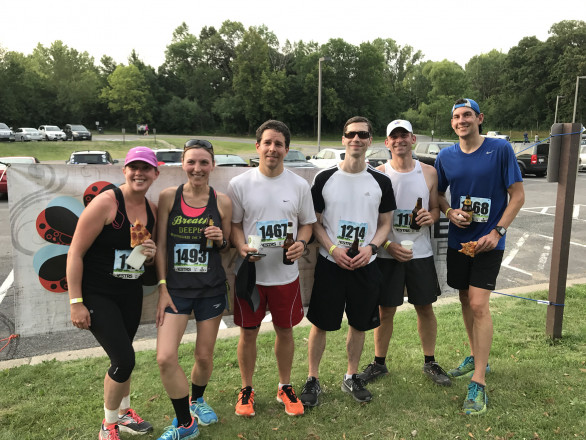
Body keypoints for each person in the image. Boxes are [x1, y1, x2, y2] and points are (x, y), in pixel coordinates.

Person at [435, 98, 524, 415]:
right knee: (463, 299)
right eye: (456, 117)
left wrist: (497, 231)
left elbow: (518, 195)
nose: (462, 120)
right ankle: (475, 355)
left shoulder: (500, 149)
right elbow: (437, 192)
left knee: (478, 303)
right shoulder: (445, 156)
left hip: (489, 242)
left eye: (467, 115)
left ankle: (479, 381)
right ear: (452, 123)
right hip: (460, 241)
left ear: (479, 118)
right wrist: (449, 210)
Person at [299, 116, 395, 407]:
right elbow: (313, 221)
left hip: (365, 264)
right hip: (331, 263)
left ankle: (351, 376)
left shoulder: (381, 180)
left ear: (370, 140)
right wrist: (331, 247)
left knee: (359, 324)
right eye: (350, 134)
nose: (356, 139)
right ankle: (313, 379)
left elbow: (385, 222)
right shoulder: (324, 178)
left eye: (362, 135)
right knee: (321, 323)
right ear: (343, 139)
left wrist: (372, 248)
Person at [67, 146, 159, 440]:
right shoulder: (106, 203)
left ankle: (124, 414)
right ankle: (108, 426)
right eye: (134, 167)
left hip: (129, 292)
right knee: (124, 360)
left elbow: (143, 254)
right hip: (98, 294)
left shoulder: (151, 209)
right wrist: (76, 302)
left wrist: (152, 254)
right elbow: (75, 253)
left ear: (155, 173)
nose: (139, 173)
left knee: (125, 355)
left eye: (145, 168)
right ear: (124, 171)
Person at [227, 120, 316, 417]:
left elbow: (307, 225)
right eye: (267, 142)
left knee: (285, 331)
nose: (272, 148)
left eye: (279, 143)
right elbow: (236, 225)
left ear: (287, 149)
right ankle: (247, 389)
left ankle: (285, 386)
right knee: (248, 333)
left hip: (285, 276)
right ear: (257, 147)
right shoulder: (240, 184)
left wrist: (302, 244)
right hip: (251, 276)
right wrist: (241, 247)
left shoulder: (299, 185)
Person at [358, 119, 451, 387]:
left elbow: (435, 209)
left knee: (425, 307)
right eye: (393, 137)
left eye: (404, 136)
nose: (399, 141)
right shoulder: (378, 174)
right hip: (388, 253)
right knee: (385, 310)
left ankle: (430, 361)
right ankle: (379, 363)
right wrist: (387, 245)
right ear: (386, 143)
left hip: (420, 251)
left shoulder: (429, 173)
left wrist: (429, 217)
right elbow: (372, 219)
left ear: (413, 140)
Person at [155, 139, 232, 439]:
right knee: (165, 357)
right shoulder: (167, 198)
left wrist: (220, 239)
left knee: (203, 355)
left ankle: (197, 401)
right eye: (191, 162)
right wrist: (162, 287)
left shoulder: (222, 201)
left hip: (210, 290)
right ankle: (185, 422)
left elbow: (226, 248)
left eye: (203, 162)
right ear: (182, 165)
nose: (197, 168)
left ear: (213, 165)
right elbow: (161, 245)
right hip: (175, 291)